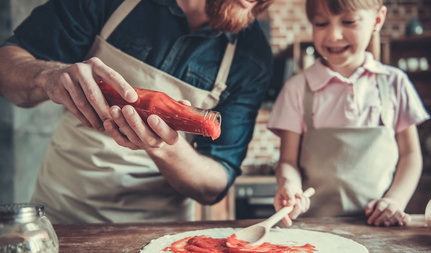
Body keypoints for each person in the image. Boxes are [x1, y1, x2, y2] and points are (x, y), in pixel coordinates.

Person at [0, 0, 274, 223]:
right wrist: (48, 77)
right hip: (62, 215)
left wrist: (165, 147)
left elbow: (214, 184)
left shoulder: (252, 56)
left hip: (155, 232)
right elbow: (6, 66)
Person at [267, 0, 430, 227]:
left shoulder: (394, 82)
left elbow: (411, 156)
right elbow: (287, 161)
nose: (333, 35)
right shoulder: (297, 89)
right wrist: (289, 185)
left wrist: (395, 201)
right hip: (315, 227)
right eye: (321, 24)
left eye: (349, 22)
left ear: (377, 19)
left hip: (380, 225)